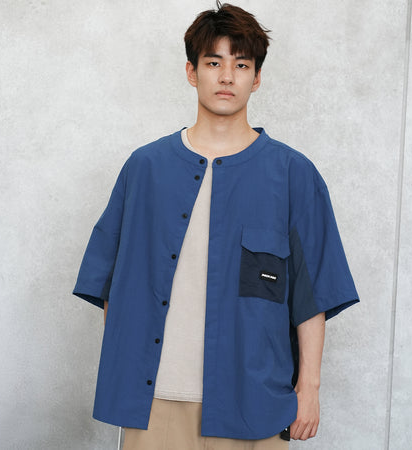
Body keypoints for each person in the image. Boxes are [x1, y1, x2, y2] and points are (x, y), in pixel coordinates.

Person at [72, 2, 359, 449]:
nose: (227, 76)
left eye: (241, 65)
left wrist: (309, 389)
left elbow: (314, 293)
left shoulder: (293, 175)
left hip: (254, 405)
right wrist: (131, 371)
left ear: (256, 78)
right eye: (213, 63)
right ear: (192, 72)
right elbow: (111, 283)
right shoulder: (145, 169)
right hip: (154, 405)